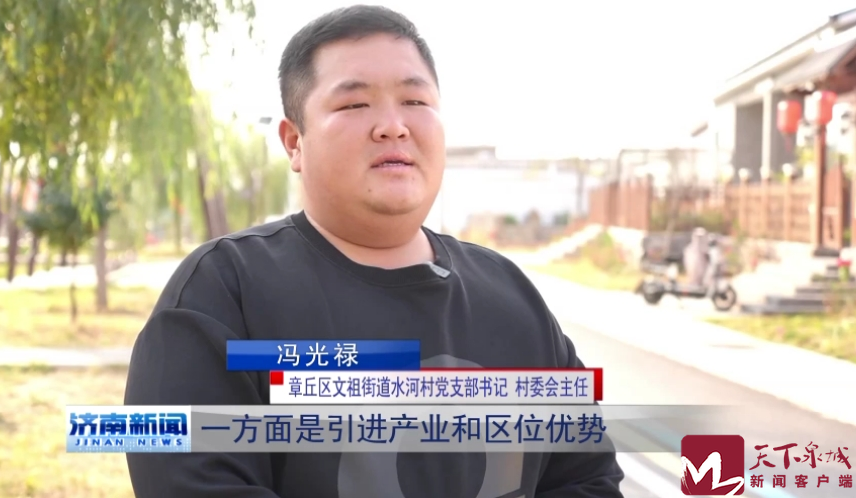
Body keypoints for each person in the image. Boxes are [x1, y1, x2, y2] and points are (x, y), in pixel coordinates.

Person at [123, 5, 625, 497]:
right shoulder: (223, 293)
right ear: (294, 142)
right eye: (354, 105)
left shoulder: (512, 297)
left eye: (415, 101)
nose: (393, 126)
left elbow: (589, 478)